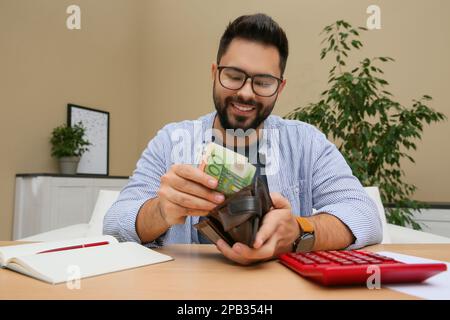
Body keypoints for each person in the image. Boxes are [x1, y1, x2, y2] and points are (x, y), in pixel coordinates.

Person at [103, 13, 382, 265]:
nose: (246, 93)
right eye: (234, 76)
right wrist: (160, 212)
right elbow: (114, 224)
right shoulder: (171, 141)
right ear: (215, 74)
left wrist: (299, 231)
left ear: (280, 87)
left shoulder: (306, 142)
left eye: (262, 82)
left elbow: (364, 214)